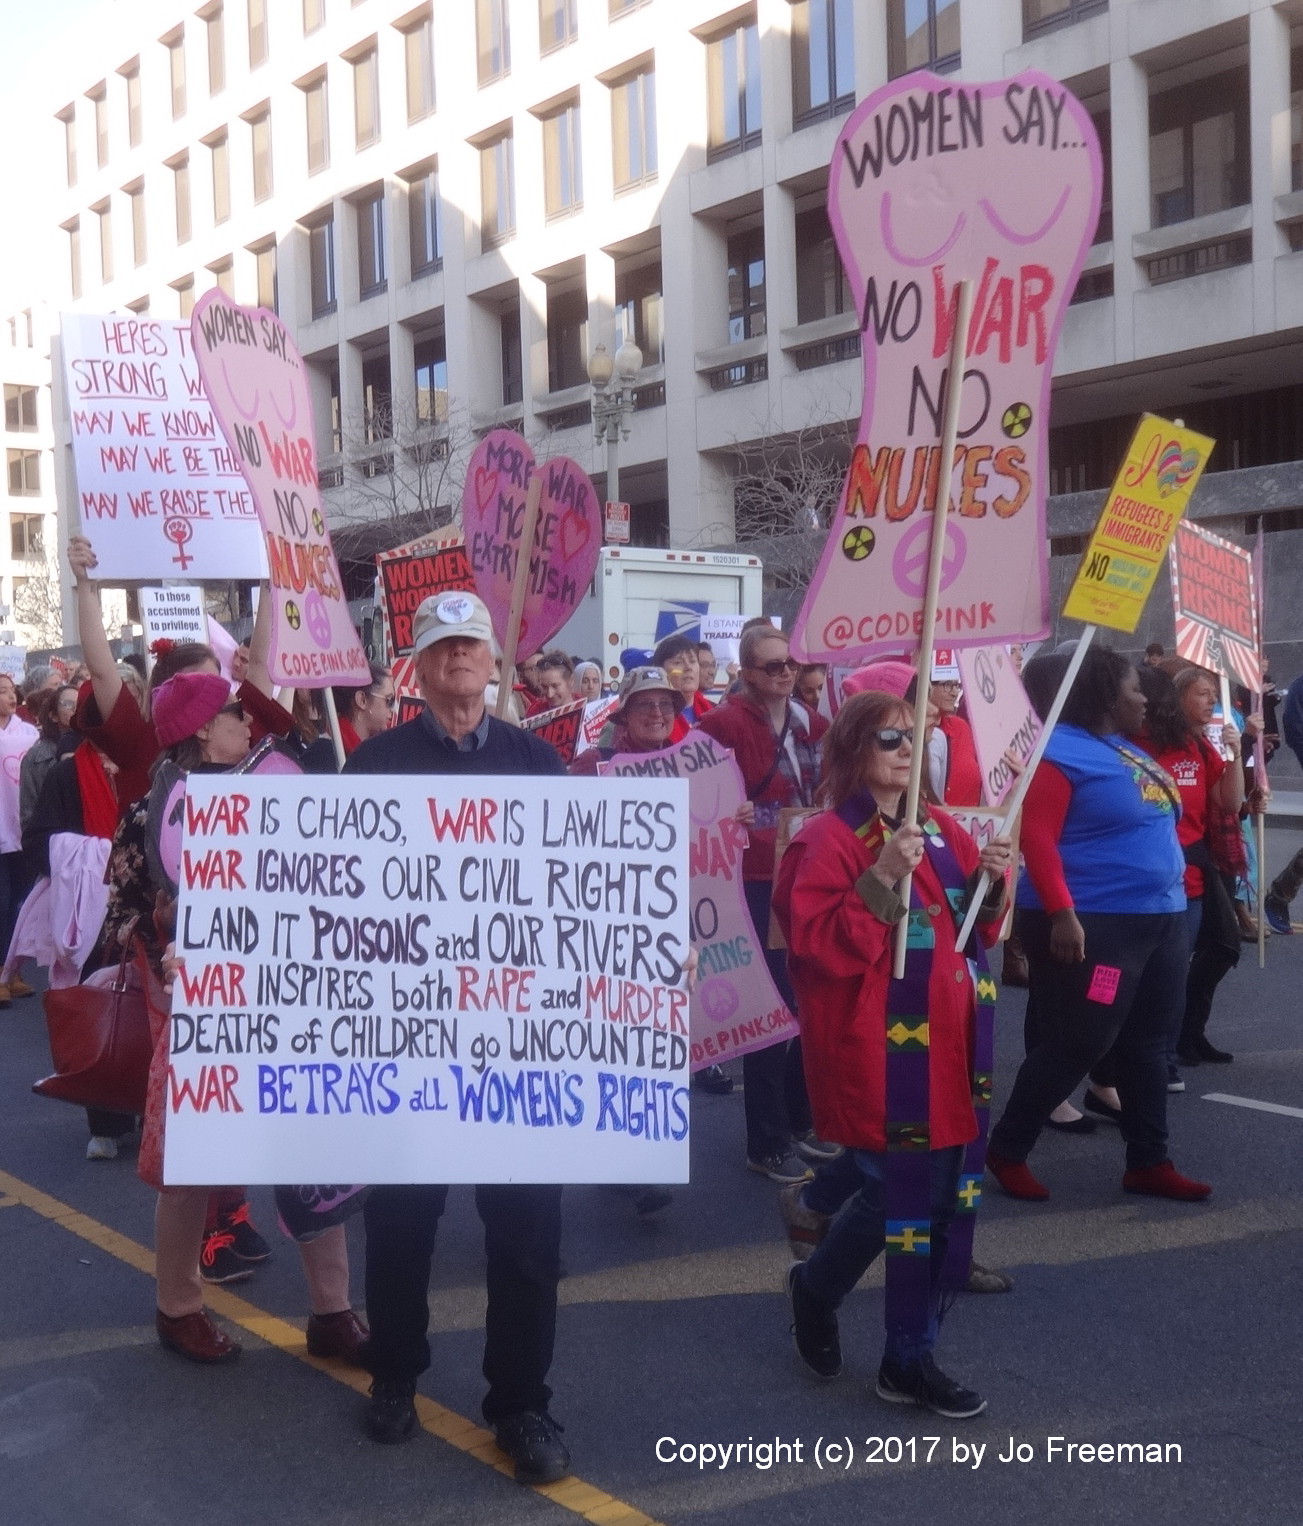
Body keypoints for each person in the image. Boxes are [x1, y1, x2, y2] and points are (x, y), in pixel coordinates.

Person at [344, 590, 572, 1484]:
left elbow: (578, 889)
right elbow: (332, 895)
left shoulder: (538, 762)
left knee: (527, 1232)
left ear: (494, 659)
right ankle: (395, 1374)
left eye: (472, 643)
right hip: (410, 1036)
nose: (460, 658)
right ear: (419, 665)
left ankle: (521, 1402)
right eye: (443, 647)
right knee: (401, 1221)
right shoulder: (373, 765)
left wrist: (642, 958)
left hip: (516, 1040)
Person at [104, 672, 365, 1367]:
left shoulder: (284, 784)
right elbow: (122, 913)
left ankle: (333, 1310)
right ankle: (178, 1307)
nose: (247, 722)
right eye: (232, 712)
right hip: (205, 1008)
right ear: (199, 729)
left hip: (292, 995)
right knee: (193, 1164)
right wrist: (163, 938)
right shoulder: (150, 811)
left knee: (313, 1150)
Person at [775, 689, 1012, 1418]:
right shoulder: (823, 840)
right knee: (903, 1193)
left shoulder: (941, 827)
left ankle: (832, 1299)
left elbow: (974, 935)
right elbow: (817, 951)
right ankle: (897, 1350)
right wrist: (879, 875)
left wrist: (991, 882)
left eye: (916, 736)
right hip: (874, 1048)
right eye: (888, 737)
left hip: (947, 1045)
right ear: (853, 748)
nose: (907, 748)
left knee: (920, 1194)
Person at [985, 648, 1211, 1204]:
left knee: (1149, 1043)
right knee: (1080, 1040)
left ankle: (1149, 1161)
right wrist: (1062, 913)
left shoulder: (1120, 747)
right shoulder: (1057, 752)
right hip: (1093, 923)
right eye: (1134, 688)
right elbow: (1037, 839)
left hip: (1160, 917)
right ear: (1105, 696)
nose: (1144, 699)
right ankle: (1008, 1149)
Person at [697, 624, 827, 1183]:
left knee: (806, 999)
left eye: (791, 663)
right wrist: (729, 810)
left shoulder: (809, 721)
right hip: (753, 879)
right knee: (771, 1009)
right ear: (748, 672)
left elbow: (833, 774)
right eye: (773, 665)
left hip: (806, 870)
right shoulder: (723, 724)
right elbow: (694, 791)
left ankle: (797, 1121)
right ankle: (767, 1143)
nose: (786, 672)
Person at [1137, 666, 1246, 1068]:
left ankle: (1182, 1037)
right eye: (1202, 693)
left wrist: (1236, 754)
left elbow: (1230, 801)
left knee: (1219, 947)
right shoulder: (1145, 744)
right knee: (1164, 969)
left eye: (1213, 694)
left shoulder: (1199, 747)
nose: (1211, 700)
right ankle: (1160, 1052)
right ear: (1177, 696)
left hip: (1197, 866)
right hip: (1159, 868)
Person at [0, 673, 39, 1004]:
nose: (10, 696)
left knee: (20, 903)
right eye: (2, 691)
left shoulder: (29, 734)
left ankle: (12, 970)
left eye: (12, 690)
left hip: (22, 829)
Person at [19, 684, 79, 831]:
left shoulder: (97, 749)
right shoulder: (35, 758)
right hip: (52, 837)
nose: (74, 709)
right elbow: (29, 814)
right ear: (53, 715)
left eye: (79, 704)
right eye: (67, 704)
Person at [928, 677, 982, 806]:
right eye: (946, 684)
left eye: (957, 685)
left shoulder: (961, 727)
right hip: (932, 816)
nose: (955, 693)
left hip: (970, 817)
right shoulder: (913, 734)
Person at [651, 633, 714, 739]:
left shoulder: (713, 711)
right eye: (678, 662)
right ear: (660, 671)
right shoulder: (653, 717)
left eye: (692, 661)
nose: (688, 667)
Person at [331, 662, 396, 754]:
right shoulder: (332, 749)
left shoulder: (382, 746)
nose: (393, 709)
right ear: (362, 700)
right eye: (389, 700)